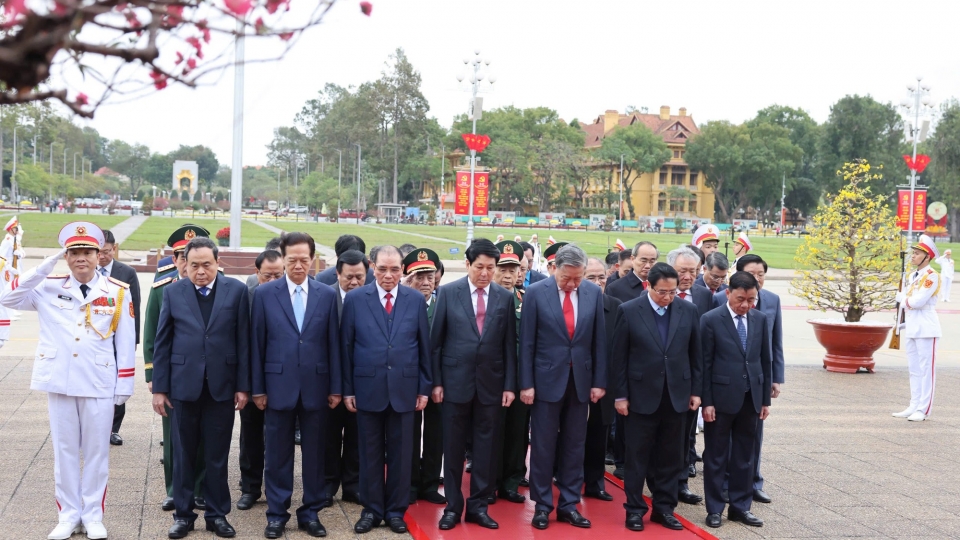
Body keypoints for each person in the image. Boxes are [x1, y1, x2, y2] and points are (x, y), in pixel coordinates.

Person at [1, 222, 135, 540]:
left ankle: (92, 515)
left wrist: (124, 385)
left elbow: (126, 343)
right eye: (74, 252)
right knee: (64, 452)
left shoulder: (117, 291)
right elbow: (8, 298)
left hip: (99, 381)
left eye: (87, 252)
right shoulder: (47, 287)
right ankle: (67, 514)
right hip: (59, 380)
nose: (81, 259)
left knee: (96, 452)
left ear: (98, 254)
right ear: (66, 256)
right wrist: (44, 266)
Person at [152, 237, 251, 539]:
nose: (201, 271)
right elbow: (162, 342)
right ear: (185, 265)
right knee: (183, 454)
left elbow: (244, 341)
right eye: (194, 265)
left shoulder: (236, 291)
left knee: (217, 455)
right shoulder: (173, 292)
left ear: (218, 263)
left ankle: (217, 514)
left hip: (222, 387)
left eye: (207, 265)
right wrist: (159, 388)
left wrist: (243, 386)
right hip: (184, 387)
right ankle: (184, 515)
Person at [251, 232, 340, 539]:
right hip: (277, 386)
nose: (299, 265)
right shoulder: (265, 294)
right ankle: (276, 514)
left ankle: (310, 512)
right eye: (293, 260)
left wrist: (336, 388)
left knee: (315, 455)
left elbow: (334, 346)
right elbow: (257, 345)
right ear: (283, 259)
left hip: (317, 386)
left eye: (305, 259)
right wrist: (258, 388)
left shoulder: (327, 295)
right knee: (277, 455)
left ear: (313, 259)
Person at [340, 245, 431, 535]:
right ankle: (371, 509)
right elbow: (347, 348)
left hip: (405, 390)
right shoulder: (355, 299)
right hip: (367, 388)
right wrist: (347, 389)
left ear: (403, 268)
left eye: (394, 269)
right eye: (382, 269)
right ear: (371, 267)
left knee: (402, 456)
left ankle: (395, 511)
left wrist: (424, 388)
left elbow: (423, 347)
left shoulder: (415, 300)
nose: (388, 275)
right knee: (368, 453)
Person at [431, 239, 517, 531]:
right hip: (455, 383)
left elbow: (509, 347)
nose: (485, 273)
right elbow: (436, 344)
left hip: (491, 385)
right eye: (479, 267)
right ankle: (453, 507)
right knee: (453, 449)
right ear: (467, 265)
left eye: (490, 268)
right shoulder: (447, 293)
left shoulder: (505, 298)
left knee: (486, 448)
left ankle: (479, 506)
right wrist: (437, 382)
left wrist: (509, 386)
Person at [519, 244, 606, 530]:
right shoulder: (535, 293)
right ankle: (543, 505)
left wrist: (598, 382)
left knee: (574, 445)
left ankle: (569, 503)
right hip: (545, 381)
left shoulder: (593, 293)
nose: (572, 284)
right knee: (543, 445)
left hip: (580, 381)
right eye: (567, 278)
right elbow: (527, 343)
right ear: (555, 268)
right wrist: (527, 384)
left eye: (578, 278)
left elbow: (599, 342)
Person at [612, 263, 702, 532]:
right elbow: (619, 358)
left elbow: (696, 355)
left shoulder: (688, 310)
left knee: (671, 457)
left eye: (673, 292)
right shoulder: (628, 311)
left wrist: (696, 391)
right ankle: (635, 510)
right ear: (649, 287)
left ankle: (664, 508)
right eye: (662, 292)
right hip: (640, 397)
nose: (668, 297)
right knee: (637, 457)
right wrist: (621, 396)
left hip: (677, 396)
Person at [143, 225, 211, 513]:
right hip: (174, 376)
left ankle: (200, 488)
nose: (186, 263)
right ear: (175, 260)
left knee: (206, 438)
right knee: (174, 437)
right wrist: (152, 375)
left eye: (191, 257)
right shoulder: (163, 290)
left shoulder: (218, 287)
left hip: (208, 376)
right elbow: (150, 335)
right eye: (181, 257)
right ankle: (174, 488)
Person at [700, 272, 771, 529]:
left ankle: (740, 507)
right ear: (728, 293)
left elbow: (765, 360)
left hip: (750, 397)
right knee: (716, 456)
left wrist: (765, 400)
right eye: (741, 298)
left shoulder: (760, 319)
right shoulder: (710, 320)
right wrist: (706, 401)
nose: (745, 305)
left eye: (751, 300)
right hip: (720, 399)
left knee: (745, 455)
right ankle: (715, 508)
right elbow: (704, 364)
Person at [719, 254, 783, 504]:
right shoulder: (720, 300)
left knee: (754, 435)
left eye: (761, 274)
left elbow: (775, 343)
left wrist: (775, 378)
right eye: (751, 274)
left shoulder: (772, 301)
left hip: (756, 382)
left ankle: (752, 481)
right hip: (728, 381)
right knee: (727, 437)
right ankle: (726, 482)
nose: (757, 279)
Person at [236, 249, 284, 512]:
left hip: (284, 381)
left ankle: (277, 489)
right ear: (257, 274)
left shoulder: (294, 297)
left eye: (279, 275)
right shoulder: (248, 296)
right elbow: (242, 343)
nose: (274, 280)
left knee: (280, 438)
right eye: (268, 276)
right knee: (251, 436)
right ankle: (250, 488)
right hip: (255, 380)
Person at [666, 246, 713, 505]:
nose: (687, 276)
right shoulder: (659, 293)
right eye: (682, 271)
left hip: (689, 377)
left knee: (686, 435)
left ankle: (681, 482)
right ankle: (659, 480)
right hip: (661, 377)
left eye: (693, 271)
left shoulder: (705, 296)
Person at [400, 247, 445, 506]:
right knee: (409, 434)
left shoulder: (444, 303)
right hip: (409, 381)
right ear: (408, 277)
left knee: (435, 434)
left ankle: (429, 483)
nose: (426, 282)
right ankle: (409, 484)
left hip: (439, 381)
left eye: (430, 276)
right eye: (419, 276)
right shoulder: (402, 304)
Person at [324, 250, 367, 506]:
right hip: (329, 381)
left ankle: (353, 486)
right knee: (328, 437)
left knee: (357, 437)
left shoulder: (370, 297)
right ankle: (328, 485)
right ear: (337, 273)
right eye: (348, 277)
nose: (354, 282)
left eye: (359, 277)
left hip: (362, 381)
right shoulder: (324, 296)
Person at [492, 240, 530, 504]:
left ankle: (511, 482)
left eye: (513, 269)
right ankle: (489, 481)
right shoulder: (483, 299)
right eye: (503, 268)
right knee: (491, 433)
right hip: (490, 378)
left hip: (518, 379)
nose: (508, 275)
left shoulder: (527, 301)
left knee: (517, 433)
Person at [97, 229, 142, 447]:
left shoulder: (127, 272)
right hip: (96, 338)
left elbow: (136, 307)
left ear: (114, 249)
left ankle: (114, 428)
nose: (102, 256)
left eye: (106, 251)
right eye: (98, 251)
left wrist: (133, 341)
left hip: (118, 337)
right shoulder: (86, 270)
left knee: (118, 383)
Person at [581, 257, 621, 502]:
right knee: (570, 436)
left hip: (604, 384)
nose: (597, 283)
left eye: (601, 277)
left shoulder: (616, 307)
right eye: (591, 278)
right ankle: (566, 478)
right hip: (574, 382)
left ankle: (595, 482)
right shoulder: (573, 304)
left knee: (599, 435)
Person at [893, 235, 942, 422]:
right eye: (913, 253)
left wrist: (902, 299)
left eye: (917, 254)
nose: (913, 256)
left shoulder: (931, 277)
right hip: (913, 327)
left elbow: (918, 302)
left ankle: (924, 409)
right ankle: (914, 404)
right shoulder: (914, 276)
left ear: (927, 257)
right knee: (914, 369)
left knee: (926, 370)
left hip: (927, 328)